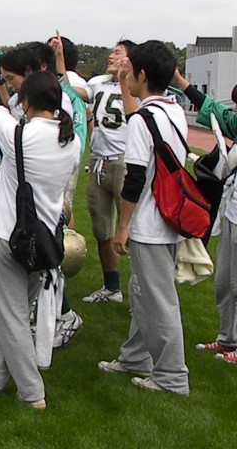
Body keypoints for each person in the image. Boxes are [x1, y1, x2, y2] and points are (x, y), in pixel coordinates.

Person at [0, 30, 79, 410]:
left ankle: (32, 392)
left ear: (27, 101)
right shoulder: (71, 140)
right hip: (47, 240)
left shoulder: (18, 135)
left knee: (13, 317)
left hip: (8, 236)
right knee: (13, 314)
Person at [98, 40, 190, 395]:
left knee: (158, 301)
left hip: (150, 223)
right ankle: (136, 357)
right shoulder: (172, 110)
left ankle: (172, 376)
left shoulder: (142, 120)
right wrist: (125, 85)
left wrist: (123, 226)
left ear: (143, 74)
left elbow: (135, 178)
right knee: (142, 294)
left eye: (131, 70)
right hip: (169, 218)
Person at [175, 72, 237, 364]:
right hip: (232, 216)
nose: (236, 108)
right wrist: (179, 80)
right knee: (225, 283)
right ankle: (228, 338)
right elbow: (213, 109)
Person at [82, 41, 137, 303]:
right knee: (101, 229)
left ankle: (141, 292)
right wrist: (59, 59)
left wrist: (125, 80)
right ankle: (112, 287)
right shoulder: (97, 83)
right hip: (98, 161)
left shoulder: (137, 85)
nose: (111, 56)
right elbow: (71, 89)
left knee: (133, 232)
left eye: (117, 52)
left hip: (124, 162)